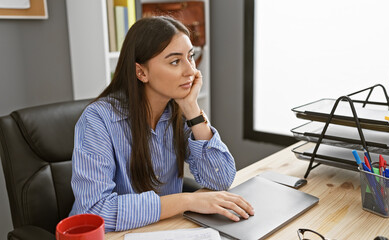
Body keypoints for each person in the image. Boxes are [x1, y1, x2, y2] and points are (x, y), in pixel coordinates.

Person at [69, 16, 254, 232]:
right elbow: (95, 211)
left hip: (162, 229)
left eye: (190, 57)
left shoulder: (179, 111)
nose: (191, 71)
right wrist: (186, 201)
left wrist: (192, 110)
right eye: (175, 61)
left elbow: (220, 179)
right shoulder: (97, 119)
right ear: (141, 72)